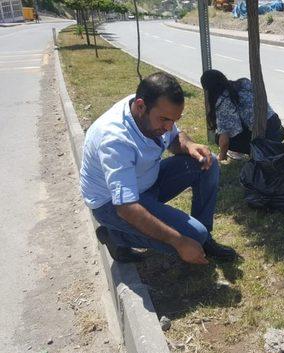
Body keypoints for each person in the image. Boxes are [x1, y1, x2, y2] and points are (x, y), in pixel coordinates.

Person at [80, 72, 237, 264]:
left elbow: (174, 139)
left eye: (174, 121)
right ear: (140, 107)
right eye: (164, 120)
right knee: (190, 238)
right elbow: (126, 207)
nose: (169, 127)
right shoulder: (115, 140)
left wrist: (189, 145)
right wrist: (178, 241)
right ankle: (116, 236)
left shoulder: (150, 109)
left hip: (144, 183)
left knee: (207, 161)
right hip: (112, 205)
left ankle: (204, 239)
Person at [200, 70, 284, 161]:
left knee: (219, 137)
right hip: (277, 128)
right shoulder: (244, 82)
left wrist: (221, 156)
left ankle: (251, 151)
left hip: (264, 138)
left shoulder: (223, 101)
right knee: (239, 126)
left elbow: (224, 141)